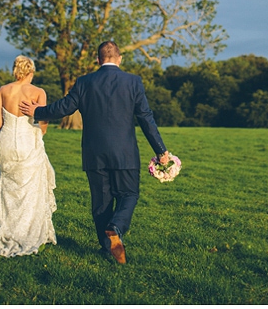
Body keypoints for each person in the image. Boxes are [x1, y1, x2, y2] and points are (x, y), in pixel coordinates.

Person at [20, 41, 171, 264]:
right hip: (125, 154)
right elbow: (145, 118)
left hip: (94, 154)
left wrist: (38, 111)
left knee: (101, 203)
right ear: (119, 59)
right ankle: (115, 228)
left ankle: (106, 247)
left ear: (98, 60)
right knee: (129, 195)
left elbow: (64, 108)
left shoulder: (84, 82)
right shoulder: (133, 82)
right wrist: (161, 151)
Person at [0, 55, 57, 256]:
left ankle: (3, 228)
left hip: (6, 140)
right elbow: (43, 122)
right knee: (29, 189)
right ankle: (25, 232)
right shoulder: (38, 92)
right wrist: (37, 132)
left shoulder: (4, 90)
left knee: (7, 187)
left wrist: (7, 135)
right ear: (31, 72)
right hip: (28, 139)